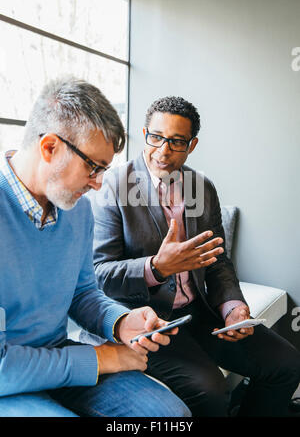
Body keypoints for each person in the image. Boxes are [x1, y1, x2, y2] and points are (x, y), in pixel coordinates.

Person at [88, 95, 300, 417]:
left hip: (198, 312)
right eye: (155, 137)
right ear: (144, 133)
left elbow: (217, 260)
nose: (162, 150)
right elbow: (99, 274)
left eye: (176, 142)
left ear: (192, 144)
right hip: (147, 321)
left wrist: (234, 308)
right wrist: (156, 268)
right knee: (209, 390)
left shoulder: (202, 187)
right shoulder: (114, 186)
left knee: (285, 362)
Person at [0, 79, 191, 418]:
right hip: (9, 378)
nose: (99, 183)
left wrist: (120, 322)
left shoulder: (78, 211)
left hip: (60, 358)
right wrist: (102, 357)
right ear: (49, 147)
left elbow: (82, 292)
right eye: (93, 166)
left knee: (170, 417)